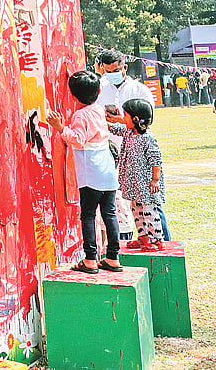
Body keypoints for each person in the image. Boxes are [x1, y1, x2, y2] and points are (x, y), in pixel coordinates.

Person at [47, 70, 121, 274]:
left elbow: (78, 139)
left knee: (88, 215)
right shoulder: (97, 109)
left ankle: (89, 259)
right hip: (107, 170)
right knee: (109, 213)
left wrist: (60, 127)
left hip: (91, 173)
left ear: (73, 96)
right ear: (98, 92)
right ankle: (113, 257)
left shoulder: (80, 115)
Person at [111, 99, 165, 251]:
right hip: (135, 184)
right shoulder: (129, 132)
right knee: (137, 211)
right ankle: (143, 237)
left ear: (135, 119)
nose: (123, 118)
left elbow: (156, 160)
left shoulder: (147, 138)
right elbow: (116, 128)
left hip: (147, 185)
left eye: (125, 115)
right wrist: (105, 120)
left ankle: (157, 240)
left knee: (149, 212)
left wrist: (155, 180)